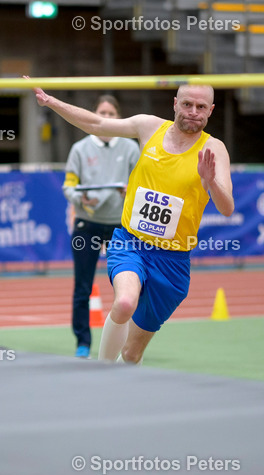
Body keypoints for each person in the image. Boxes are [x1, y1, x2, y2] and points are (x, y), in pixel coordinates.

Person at [33, 82, 234, 364]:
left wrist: (210, 180)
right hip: (131, 243)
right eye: (187, 104)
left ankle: (121, 388)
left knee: (131, 353)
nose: (193, 112)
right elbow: (97, 124)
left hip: (173, 260)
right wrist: (52, 102)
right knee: (125, 302)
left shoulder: (214, 149)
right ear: (175, 103)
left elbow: (227, 208)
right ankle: (100, 373)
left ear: (210, 111)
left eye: (201, 107)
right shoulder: (148, 127)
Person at [63, 95, 140, 358]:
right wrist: (79, 198)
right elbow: (69, 185)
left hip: (121, 226)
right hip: (87, 224)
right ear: (94, 116)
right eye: (101, 113)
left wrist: (131, 192)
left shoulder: (131, 148)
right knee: (82, 286)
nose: (106, 118)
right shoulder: (80, 149)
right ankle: (82, 342)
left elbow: (142, 186)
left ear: (118, 117)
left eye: (111, 113)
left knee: (130, 287)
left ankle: (132, 341)